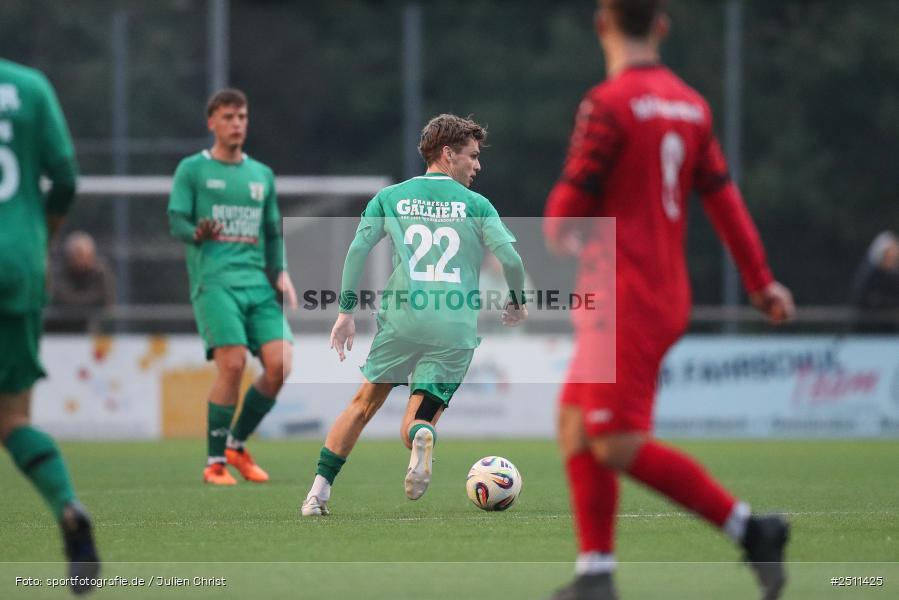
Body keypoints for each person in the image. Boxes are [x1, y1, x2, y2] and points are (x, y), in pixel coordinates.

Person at [543, 2, 796, 599]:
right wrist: (760, 282)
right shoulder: (691, 105)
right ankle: (595, 574)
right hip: (662, 290)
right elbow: (724, 200)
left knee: (616, 440)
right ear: (661, 25)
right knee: (575, 424)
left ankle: (752, 529)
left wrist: (562, 231)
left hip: (622, 294)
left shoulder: (606, 105)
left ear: (602, 23)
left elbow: (561, 217)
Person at [301, 114, 528, 516]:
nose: (478, 165)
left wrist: (345, 312)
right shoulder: (478, 205)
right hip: (454, 328)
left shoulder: (391, 197)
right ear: (447, 153)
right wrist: (516, 299)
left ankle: (317, 494)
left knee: (362, 404)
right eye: (472, 156)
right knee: (417, 422)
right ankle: (423, 436)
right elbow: (510, 256)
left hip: (404, 320)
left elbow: (357, 251)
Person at [0, 58, 100, 594]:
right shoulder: (30, 86)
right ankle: (66, 506)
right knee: (12, 419)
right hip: (16, 263)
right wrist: (40, 233)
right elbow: (64, 177)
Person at [168, 88, 298, 486]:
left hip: (256, 285)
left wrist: (281, 272)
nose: (237, 123)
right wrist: (197, 232)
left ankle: (236, 446)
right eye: (228, 117)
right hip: (215, 283)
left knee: (280, 366)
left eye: (241, 117)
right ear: (212, 122)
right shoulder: (192, 169)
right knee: (234, 363)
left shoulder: (261, 175)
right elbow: (176, 222)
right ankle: (213, 463)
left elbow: (273, 232)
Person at [51, 231, 115, 331]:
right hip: (58, 332)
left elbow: (105, 299)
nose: (81, 259)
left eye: (84, 255)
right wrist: (89, 303)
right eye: (77, 255)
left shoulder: (100, 273)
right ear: (69, 256)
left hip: (90, 330)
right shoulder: (58, 272)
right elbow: (60, 298)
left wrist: (74, 303)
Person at [851, 231, 899, 330]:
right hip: (867, 329)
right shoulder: (868, 275)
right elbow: (862, 299)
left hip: (889, 330)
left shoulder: (894, 275)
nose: (893, 259)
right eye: (890, 255)